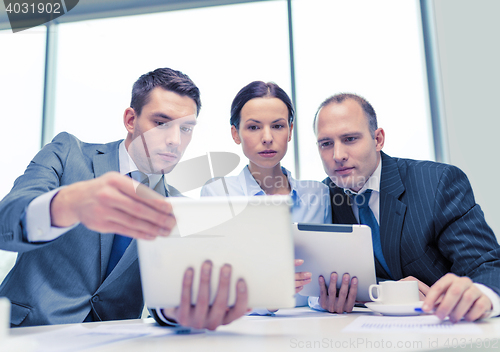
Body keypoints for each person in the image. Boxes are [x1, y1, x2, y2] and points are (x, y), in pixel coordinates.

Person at [0, 68, 248, 329]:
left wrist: (177, 311)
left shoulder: (179, 209)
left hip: (113, 341)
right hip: (25, 332)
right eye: (161, 123)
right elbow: (5, 225)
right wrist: (68, 204)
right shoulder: (67, 153)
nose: (175, 140)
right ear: (131, 120)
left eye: (185, 128)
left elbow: (164, 300)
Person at [311, 92, 500, 322]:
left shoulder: (438, 183)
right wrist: (321, 298)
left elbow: (487, 264)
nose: (337, 155)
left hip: (444, 327)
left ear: (378, 139)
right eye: (326, 143)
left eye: (350, 139)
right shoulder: (322, 197)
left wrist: (482, 297)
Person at [201, 81, 331, 311]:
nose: (267, 137)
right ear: (235, 134)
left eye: (278, 126)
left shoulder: (318, 194)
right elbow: (214, 287)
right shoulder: (218, 194)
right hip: (246, 331)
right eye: (253, 127)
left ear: (290, 131)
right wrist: (268, 293)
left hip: (312, 327)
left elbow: (326, 279)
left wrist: (325, 300)